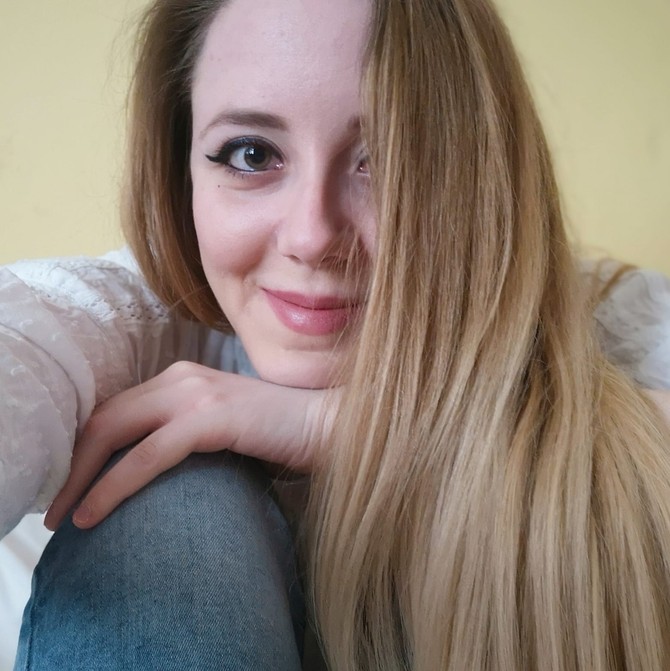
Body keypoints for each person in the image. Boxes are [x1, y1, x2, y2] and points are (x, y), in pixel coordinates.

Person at [2, 0, 670, 669]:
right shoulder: (132, 324)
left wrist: (340, 429)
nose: (313, 236)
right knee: (175, 485)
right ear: (183, 175)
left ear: (487, 182)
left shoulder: (625, 326)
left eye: (388, 160)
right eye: (252, 154)